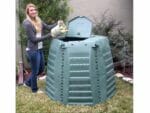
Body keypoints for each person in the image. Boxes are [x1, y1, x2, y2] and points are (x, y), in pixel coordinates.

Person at [22, 3, 57, 93]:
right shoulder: (27, 23)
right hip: (33, 50)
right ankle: (34, 90)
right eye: (31, 10)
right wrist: (50, 35)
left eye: (34, 10)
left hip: (39, 49)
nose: (34, 11)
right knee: (35, 70)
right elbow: (33, 39)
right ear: (28, 12)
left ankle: (27, 83)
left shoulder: (38, 20)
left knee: (41, 69)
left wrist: (58, 23)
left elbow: (48, 27)